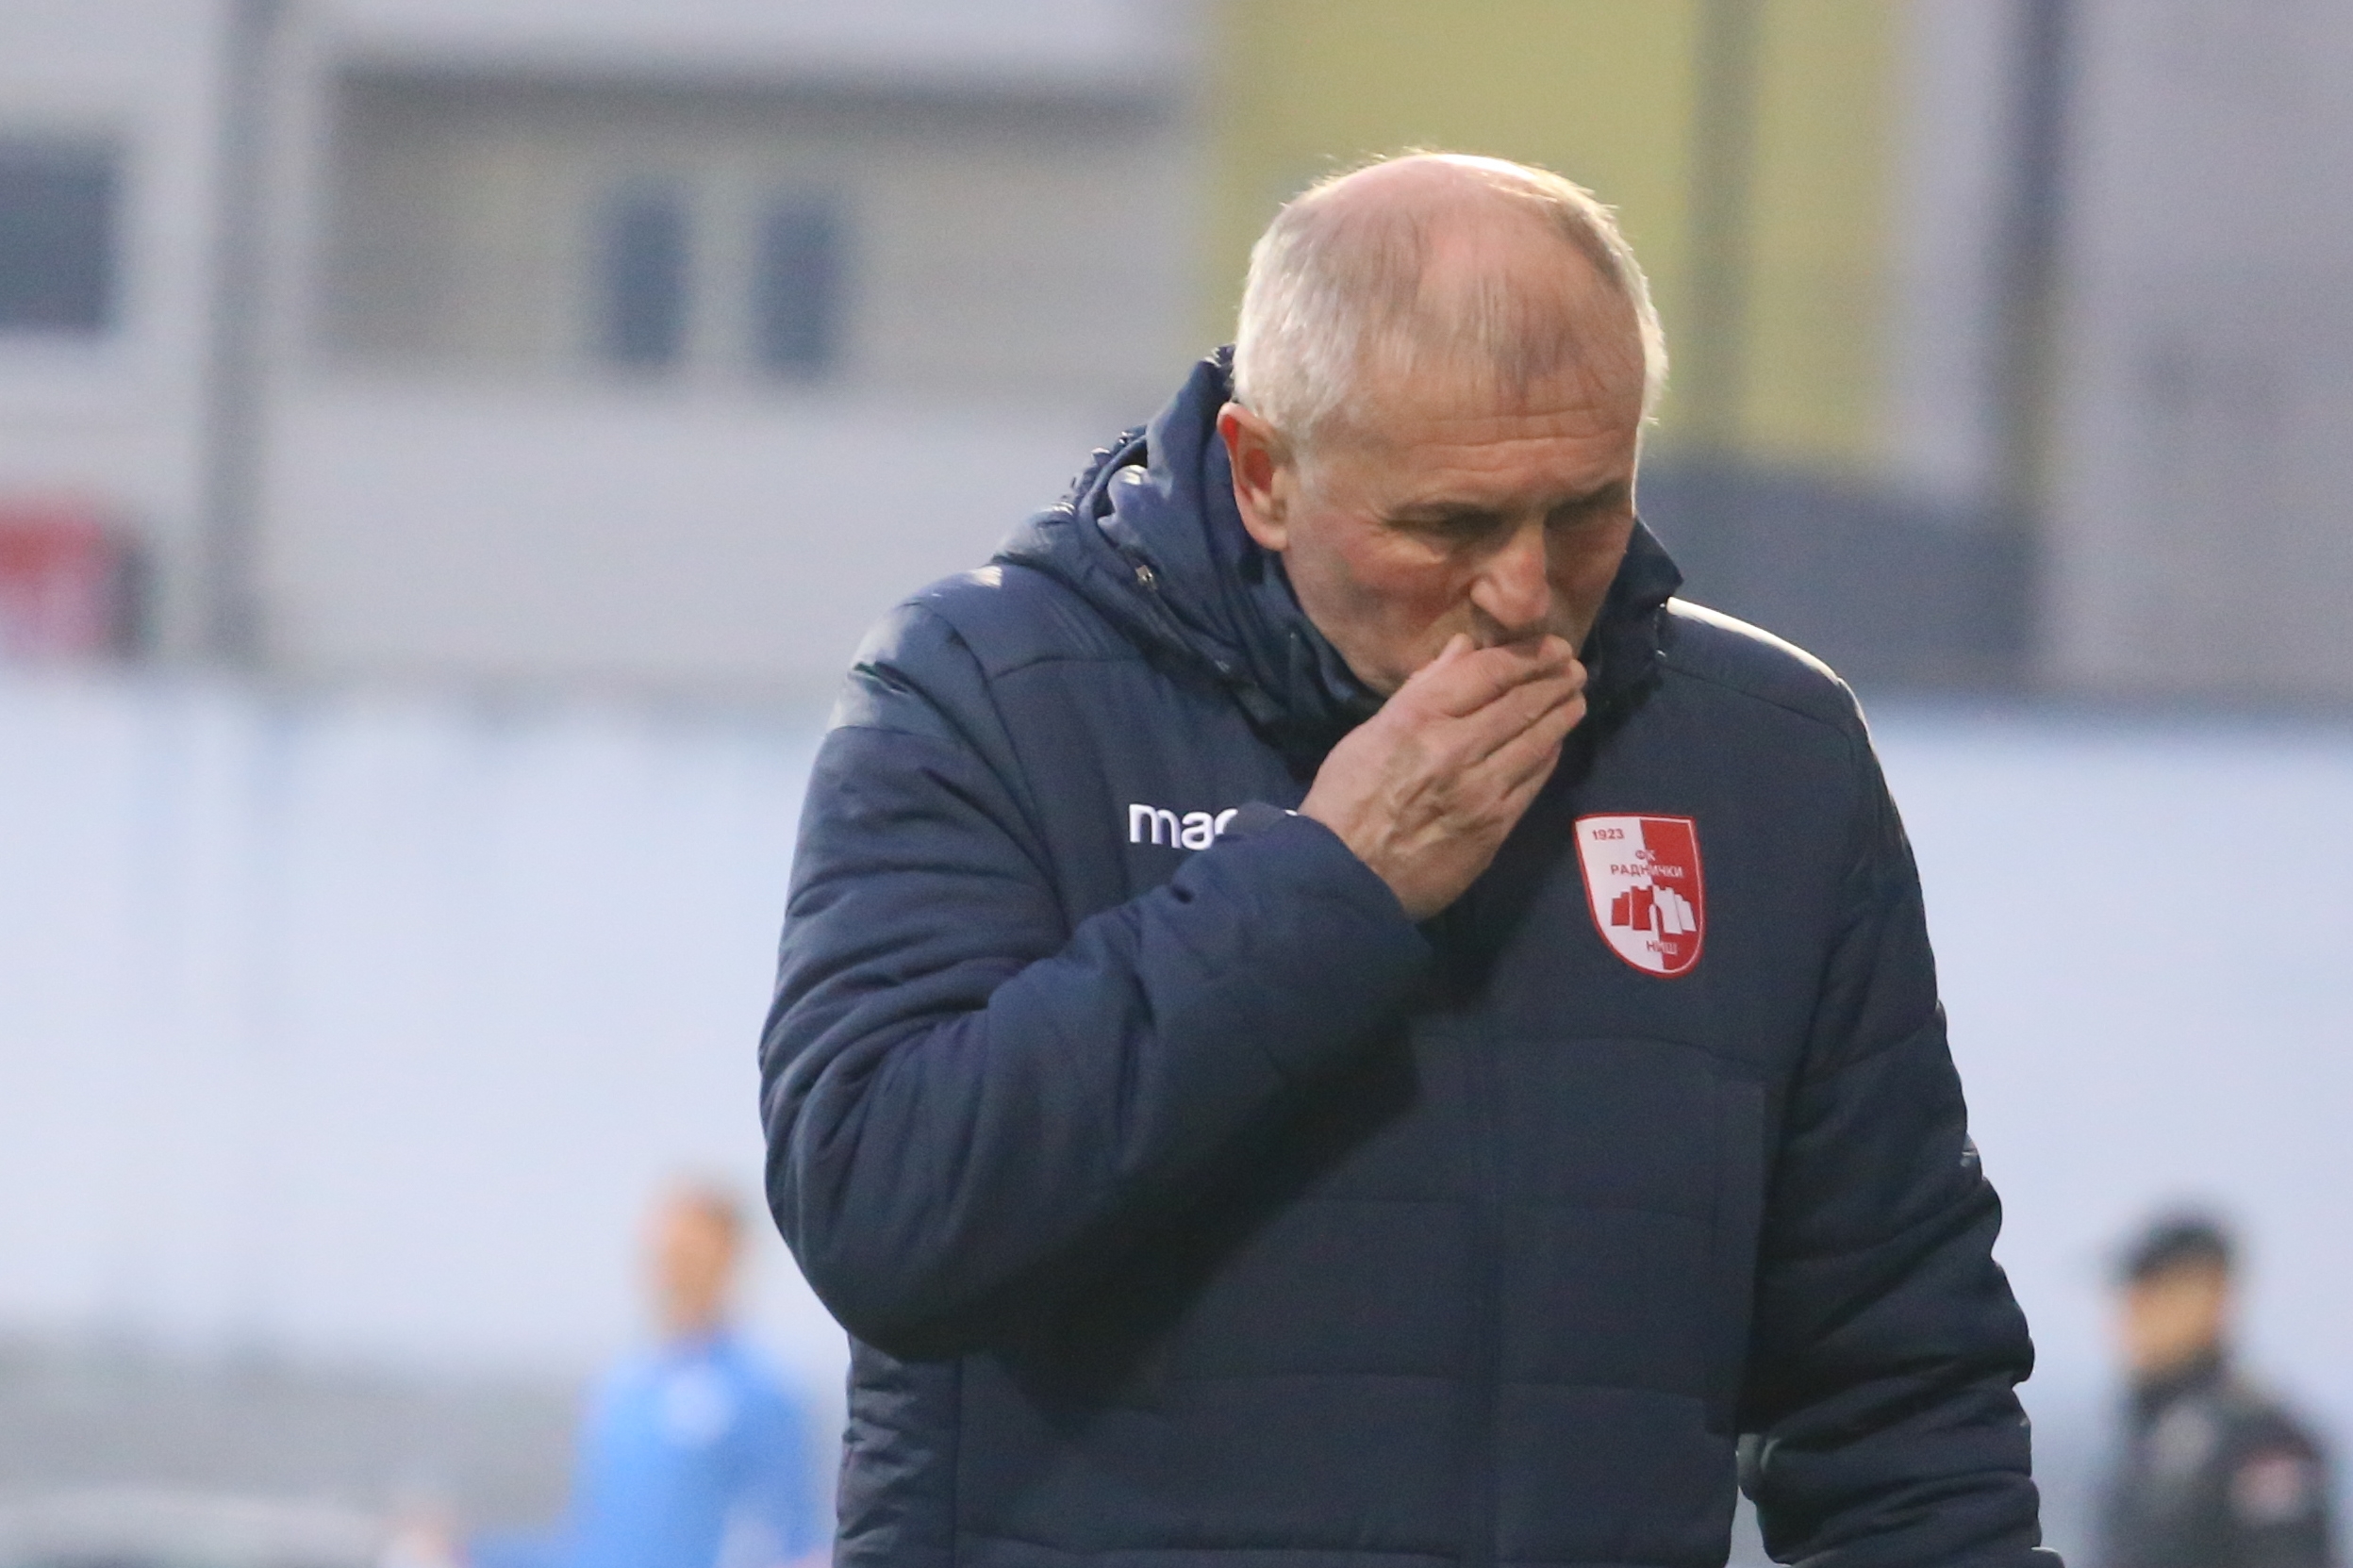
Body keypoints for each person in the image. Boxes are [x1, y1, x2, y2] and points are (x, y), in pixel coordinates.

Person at [761, 152, 2051, 1568]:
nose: (1521, 590)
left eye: (1583, 509)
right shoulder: (991, 690)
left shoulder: (1765, 758)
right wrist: (1329, 884)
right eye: (1447, 524)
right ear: (1262, 473)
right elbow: (883, 1208)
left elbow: (1896, 1390)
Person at [472, 1185, 823, 1568]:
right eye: (665, 1255)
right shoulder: (621, 1389)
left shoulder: (761, 1395)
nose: (674, 1272)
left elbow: (796, 1542)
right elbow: (592, 1544)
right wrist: (469, 1554)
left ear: (730, 1260)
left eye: (690, 1255)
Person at [2102, 1213, 2334, 1568]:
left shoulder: (2261, 1440)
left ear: (2211, 1296)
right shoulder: (2154, 1432)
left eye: (2153, 1292)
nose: (2132, 1314)